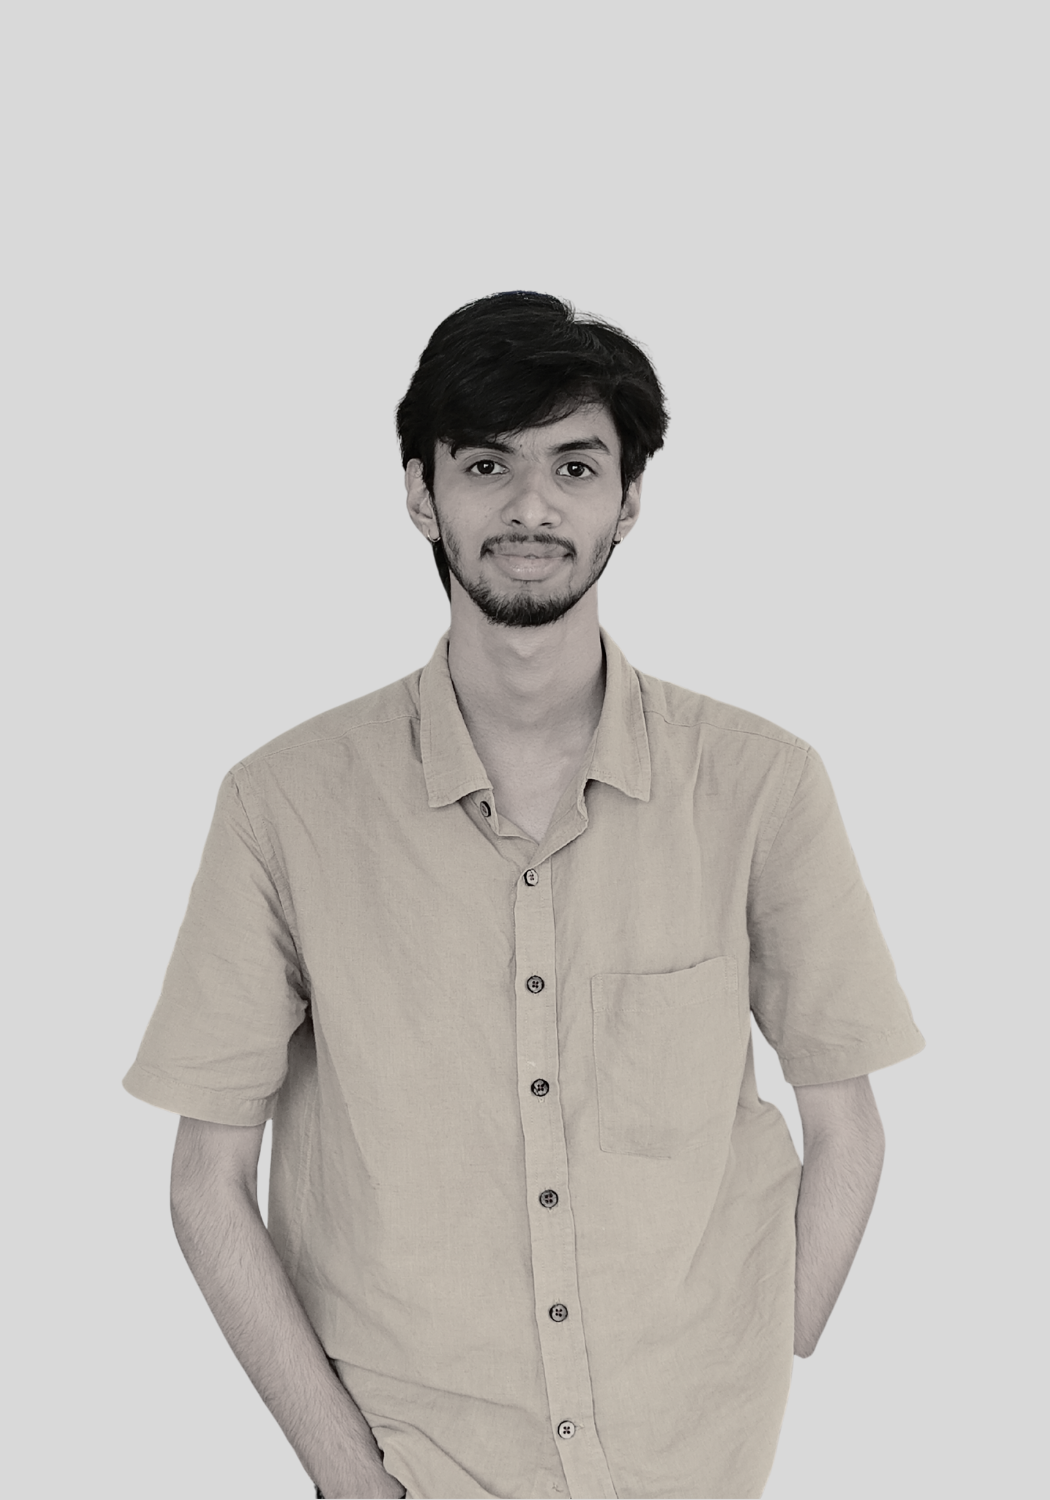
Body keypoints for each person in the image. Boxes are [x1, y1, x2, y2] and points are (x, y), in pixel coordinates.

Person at [123, 290, 925, 1500]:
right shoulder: (282, 808)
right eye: (488, 464)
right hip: (419, 1463)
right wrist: (350, 1477)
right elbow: (206, 1185)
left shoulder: (760, 787)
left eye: (576, 466)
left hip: (691, 1468)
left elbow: (848, 1127)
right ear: (421, 492)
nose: (532, 508)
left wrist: (759, 1361)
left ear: (630, 500)